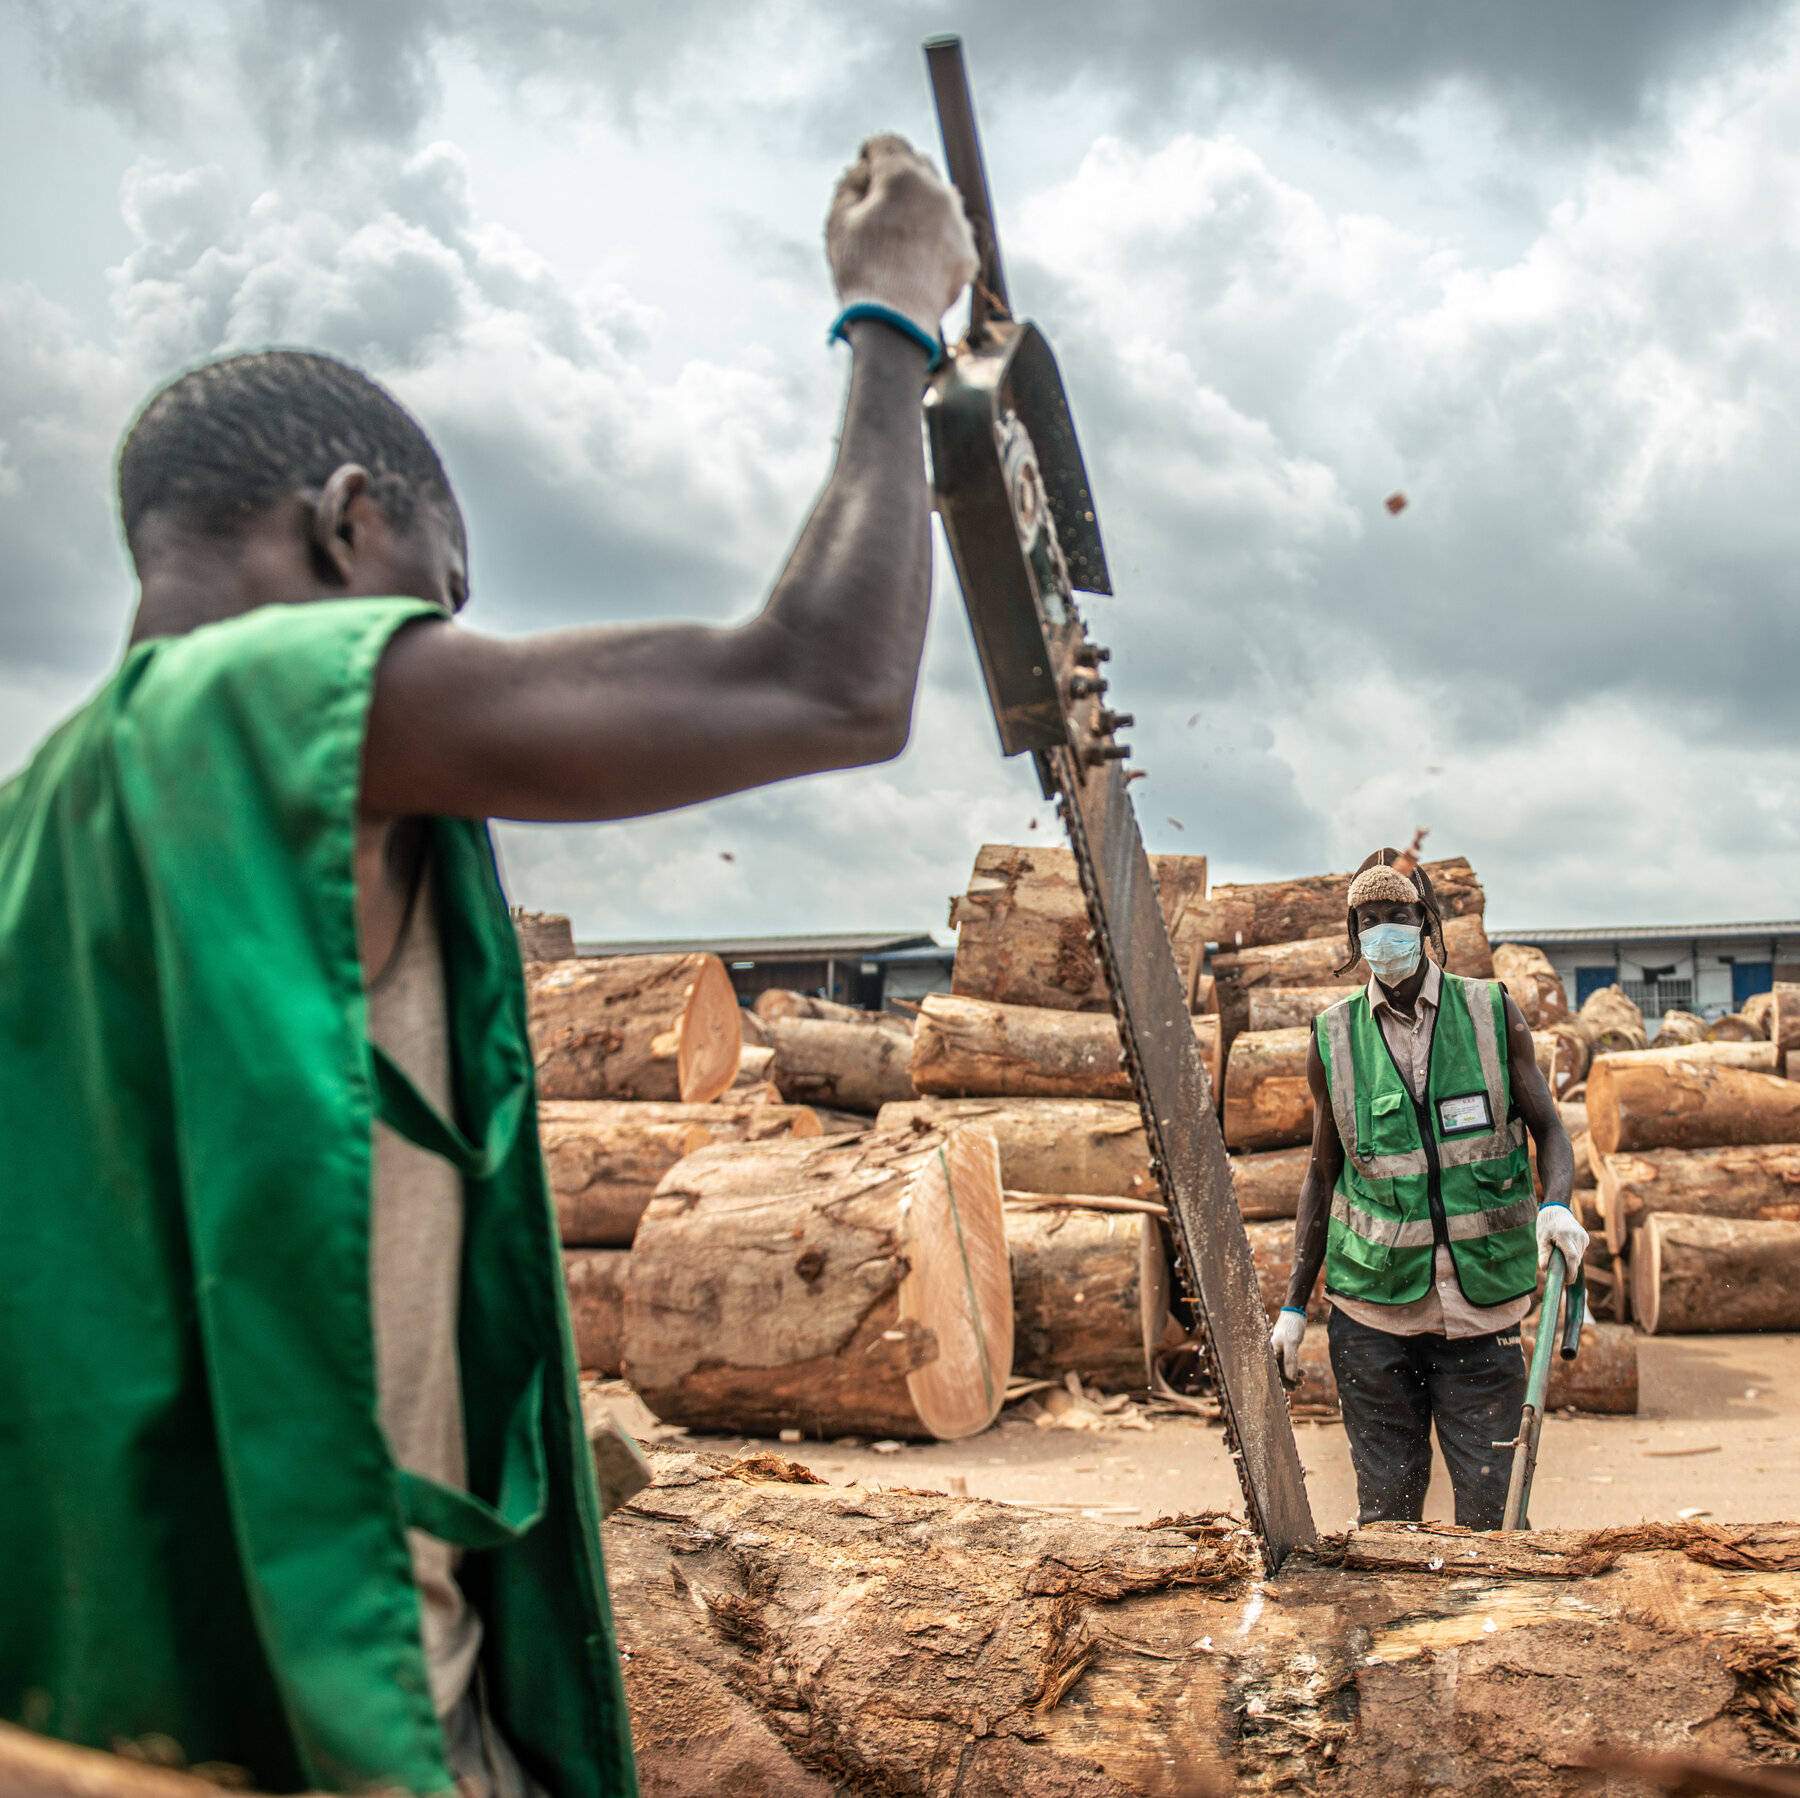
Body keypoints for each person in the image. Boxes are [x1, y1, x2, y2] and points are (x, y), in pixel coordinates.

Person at [0, 137, 976, 1796]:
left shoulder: (46, 816)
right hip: (349, 1701)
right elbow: (831, 682)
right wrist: (893, 319)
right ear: (348, 525)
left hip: (118, 1687)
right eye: (443, 597)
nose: (441, 645)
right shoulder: (272, 695)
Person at [1268, 850, 1589, 1530]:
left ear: (1425, 922)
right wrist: (1293, 1307)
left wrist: (1557, 1205)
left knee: (1494, 1522)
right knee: (1386, 1523)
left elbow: (1551, 1132)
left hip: (1482, 1316)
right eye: (1370, 920)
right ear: (1354, 934)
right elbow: (1324, 1175)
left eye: (1399, 916)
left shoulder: (1491, 1012)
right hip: (1372, 1319)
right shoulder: (1333, 1035)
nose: (1385, 931)